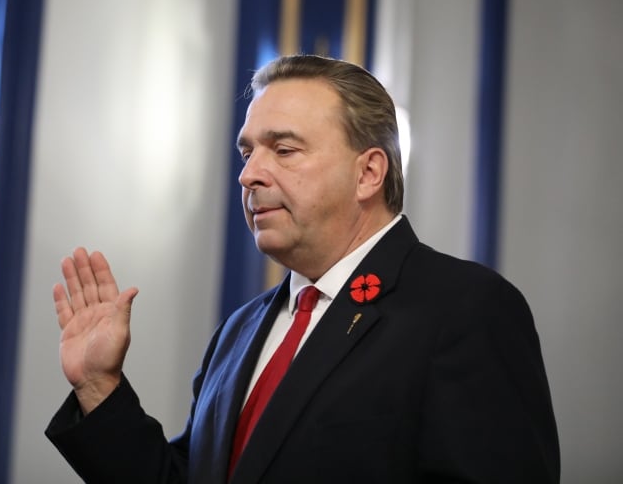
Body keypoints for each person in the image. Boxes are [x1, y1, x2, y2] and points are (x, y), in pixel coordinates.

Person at [45, 54, 560, 483]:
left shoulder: (464, 309)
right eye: (247, 153)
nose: (249, 174)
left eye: (284, 150)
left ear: (368, 173)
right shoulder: (240, 329)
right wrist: (98, 386)